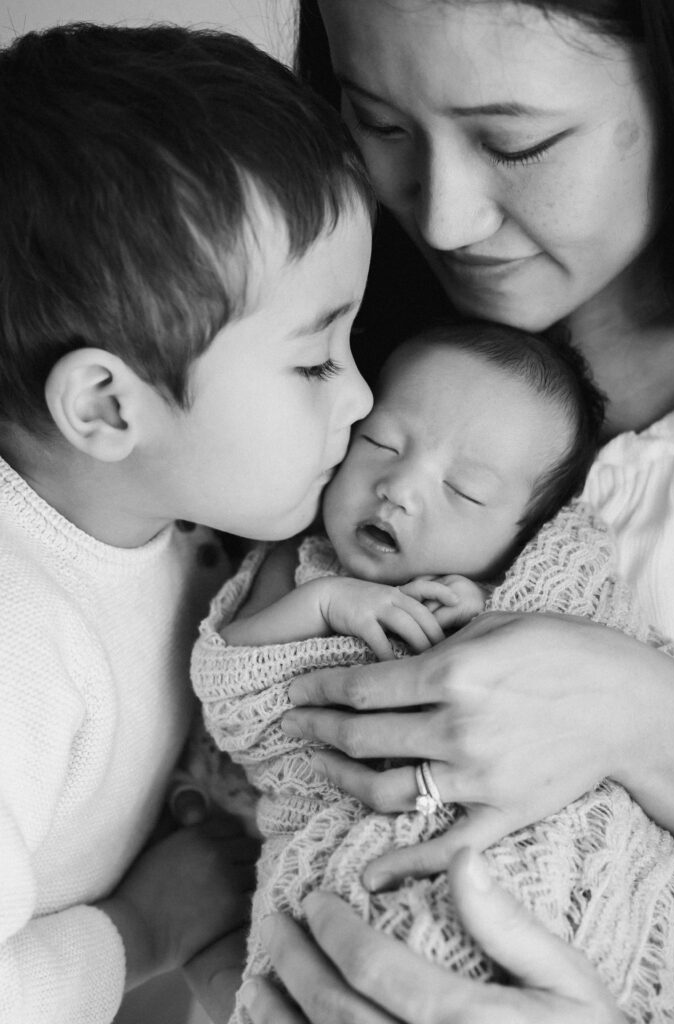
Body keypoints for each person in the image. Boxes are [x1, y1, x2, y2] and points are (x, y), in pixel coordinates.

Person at [192, 1, 674, 1022]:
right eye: (378, 123)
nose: (442, 216)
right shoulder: (295, 352)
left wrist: (647, 722)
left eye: (516, 142)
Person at [0, 22, 377, 1023]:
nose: (359, 399)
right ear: (108, 409)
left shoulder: (177, 526)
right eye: (314, 361)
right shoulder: (16, 642)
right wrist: (139, 931)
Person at [189, 322, 674, 1023]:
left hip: (565, 912)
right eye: (381, 444)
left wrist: (489, 609)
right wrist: (322, 605)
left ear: (528, 531)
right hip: (348, 888)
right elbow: (232, 684)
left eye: (466, 491)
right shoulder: (303, 566)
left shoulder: (554, 576)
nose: (398, 487)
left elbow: (617, 650)